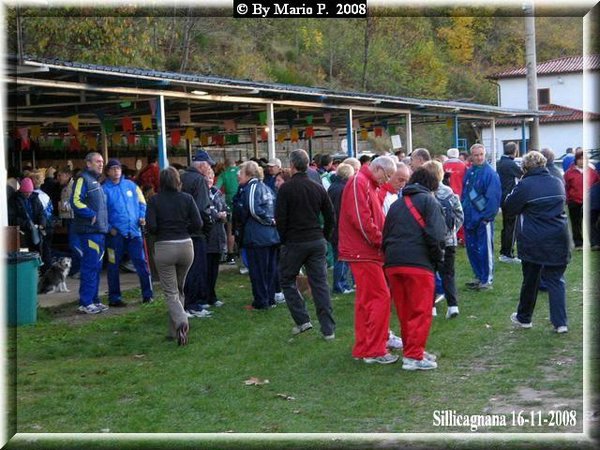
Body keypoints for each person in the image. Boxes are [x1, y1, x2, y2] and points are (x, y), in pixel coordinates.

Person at [383, 167, 446, 371]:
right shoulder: (430, 202)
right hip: (418, 263)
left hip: (393, 262)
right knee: (420, 311)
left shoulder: (397, 204)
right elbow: (437, 235)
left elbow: (385, 233)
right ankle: (413, 355)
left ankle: (413, 349)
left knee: (405, 311)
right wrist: (438, 259)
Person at [339, 155, 398, 363]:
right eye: (387, 175)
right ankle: (375, 349)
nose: (387, 180)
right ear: (378, 169)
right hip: (363, 252)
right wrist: (380, 240)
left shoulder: (366, 184)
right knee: (380, 297)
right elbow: (361, 219)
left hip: (366, 251)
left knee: (367, 300)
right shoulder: (359, 182)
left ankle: (364, 347)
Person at [503, 151, 571, 333]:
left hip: (534, 239)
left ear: (525, 168)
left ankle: (524, 318)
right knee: (556, 279)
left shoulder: (525, 185)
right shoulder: (557, 181)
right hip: (559, 236)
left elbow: (509, 207)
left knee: (531, 279)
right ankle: (560, 323)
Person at [276, 149, 336, 339]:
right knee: (320, 284)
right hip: (316, 240)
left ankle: (302, 320)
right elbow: (330, 216)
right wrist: (324, 236)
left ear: (292, 165)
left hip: (295, 241)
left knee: (287, 279)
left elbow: (280, 218)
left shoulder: (286, 189)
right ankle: (328, 329)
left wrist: (284, 239)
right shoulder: (317, 187)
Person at [146, 167, 203, 345]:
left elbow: (151, 227)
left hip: (165, 247)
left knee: (171, 292)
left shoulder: (154, 201)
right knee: (179, 288)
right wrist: (185, 229)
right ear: (178, 180)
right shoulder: (187, 198)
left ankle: (181, 322)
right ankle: (174, 332)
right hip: (186, 246)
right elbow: (198, 223)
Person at [102, 159, 153, 306]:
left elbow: (142, 203)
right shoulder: (104, 190)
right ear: (108, 172)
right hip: (115, 235)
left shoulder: (131, 185)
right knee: (113, 266)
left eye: (118, 168)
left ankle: (148, 295)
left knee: (141, 263)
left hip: (134, 233)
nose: (116, 171)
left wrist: (142, 216)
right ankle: (114, 298)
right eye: (113, 169)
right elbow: (101, 212)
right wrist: (109, 228)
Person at [233, 161, 280, 310]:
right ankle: (270, 299)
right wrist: (272, 221)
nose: (238, 176)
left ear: (248, 174)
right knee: (269, 270)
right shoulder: (266, 187)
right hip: (270, 236)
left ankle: (261, 301)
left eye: (241, 172)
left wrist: (268, 221)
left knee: (258, 271)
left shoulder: (253, 187)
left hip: (258, 237)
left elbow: (253, 209)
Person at [423, 160, 464, 319]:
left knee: (429, 273)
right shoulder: (449, 193)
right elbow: (459, 215)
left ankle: (431, 307)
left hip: (429, 241)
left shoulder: (424, 194)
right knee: (448, 274)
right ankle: (453, 306)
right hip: (448, 242)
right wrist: (452, 232)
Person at [71, 152, 109, 314]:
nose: (101, 164)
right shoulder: (83, 179)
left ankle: (94, 300)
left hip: (99, 231)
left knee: (97, 267)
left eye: (102, 161)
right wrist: (90, 214)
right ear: (88, 163)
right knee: (90, 266)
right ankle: (85, 303)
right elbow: (75, 201)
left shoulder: (96, 182)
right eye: (97, 161)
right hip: (89, 231)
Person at [180, 149, 215, 317]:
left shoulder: (181, 178)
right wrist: (207, 227)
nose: (209, 169)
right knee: (196, 269)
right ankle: (193, 305)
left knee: (185, 270)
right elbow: (203, 209)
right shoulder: (199, 180)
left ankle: (185, 303)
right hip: (196, 232)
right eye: (208, 165)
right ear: (202, 165)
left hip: (181, 231)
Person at [462, 144, 501, 290]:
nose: (479, 157)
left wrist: (487, 217)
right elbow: (465, 193)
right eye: (476, 155)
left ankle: (487, 280)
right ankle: (478, 276)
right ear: (471, 156)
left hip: (483, 218)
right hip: (469, 217)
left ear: (485, 155)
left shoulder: (490, 174)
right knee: (472, 249)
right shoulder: (470, 172)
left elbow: (493, 197)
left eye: (481, 154)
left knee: (485, 249)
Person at [327, 162, 355, 295]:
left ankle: (340, 284)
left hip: (333, 227)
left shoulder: (333, 187)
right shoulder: (344, 189)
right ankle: (340, 285)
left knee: (339, 256)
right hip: (341, 228)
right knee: (342, 258)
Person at [564, 149, 600, 248]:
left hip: (589, 202)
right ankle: (578, 243)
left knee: (590, 222)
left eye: (584, 159)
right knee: (576, 224)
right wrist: (568, 199)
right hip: (574, 201)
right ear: (576, 160)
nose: (582, 161)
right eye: (579, 159)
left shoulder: (593, 173)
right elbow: (565, 187)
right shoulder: (569, 173)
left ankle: (594, 243)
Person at [496, 142, 523, 264]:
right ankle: (508, 254)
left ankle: (504, 252)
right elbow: (523, 174)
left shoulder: (500, 162)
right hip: (510, 198)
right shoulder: (510, 164)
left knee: (506, 226)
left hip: (502, 198)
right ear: (515, 151)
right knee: (512, 227)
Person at [206, 167, 228, 308]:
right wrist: (216, 215)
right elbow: (205, 211)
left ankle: (212, 296)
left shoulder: (216, 192)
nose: (209, 180)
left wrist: (225, 214)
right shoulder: (201, 193)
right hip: (208, 236)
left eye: (211, 177)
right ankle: (205, 296)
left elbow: (225, 207)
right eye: (206, 177)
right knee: (206, 269)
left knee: (214, 269)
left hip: (218, 235)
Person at [8, 177, 46, 254]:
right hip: (23, 232)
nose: (28, 194)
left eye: (30, 192)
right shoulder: (14, 200)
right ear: (22, 190)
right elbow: (12, 218)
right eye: (26, 192)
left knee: (38, 251)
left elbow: (41, 212)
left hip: (36, 230)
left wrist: (42, 223)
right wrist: (26, 224)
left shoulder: (35, 198)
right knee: (27, 253)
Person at [215, 158, 240, 264]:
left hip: (230, 203)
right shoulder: (241, 171)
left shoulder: (224, 174)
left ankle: (231, 255)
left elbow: (216, 188)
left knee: (230, 230)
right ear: (235, 164)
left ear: (225, 165)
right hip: (242, 201)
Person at [56, 166, 80, 277]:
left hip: (75, 219)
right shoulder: (65, 188)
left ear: (67, 175)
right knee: (73, 245)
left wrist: (64, 207)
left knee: (75, 245)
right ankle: (75, 269)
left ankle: (79, 270)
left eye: (60, 175)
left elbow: (77, 203)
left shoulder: (74, 187)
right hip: (69, 220)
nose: (58, 178)